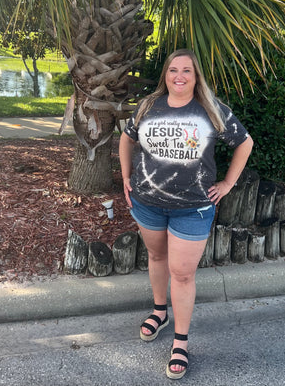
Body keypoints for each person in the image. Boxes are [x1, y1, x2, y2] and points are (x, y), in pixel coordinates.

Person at [119, 48, 253, 380]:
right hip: (148, 203)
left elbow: (244, 142)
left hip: (193, 208)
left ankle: (180, 341)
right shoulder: (149, 105)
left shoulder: (210, 108)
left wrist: (228, 183)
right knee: (156, 255)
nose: (179, 76)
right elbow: (126, 137)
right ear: (165, 75)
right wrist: (124, 176)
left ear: (196, 76)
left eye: (187, 71)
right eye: (173, 70)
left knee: (182, 274)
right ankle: (159, 311)